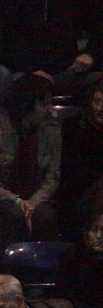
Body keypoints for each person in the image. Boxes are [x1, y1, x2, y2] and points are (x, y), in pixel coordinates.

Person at [0, 75, 62, 248]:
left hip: (36, 200)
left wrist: (33, 202)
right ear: (28, 105)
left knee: (46, 216)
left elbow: (52, 176)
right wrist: (17, 201)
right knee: (12, 214)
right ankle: (5, 268)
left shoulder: (52, 132)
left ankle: (46, 271)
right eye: (44, 104)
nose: (49, 109)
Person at [57, 85, 103, 240]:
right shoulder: (74, 127)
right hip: (77, 199)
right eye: (97, 102)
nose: (100, 108)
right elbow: (73, 174)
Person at [63, 211, 103, 308]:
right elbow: (65, 295)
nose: (99, 236)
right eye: (94, 230)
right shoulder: (72, 255)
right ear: (86, 232)